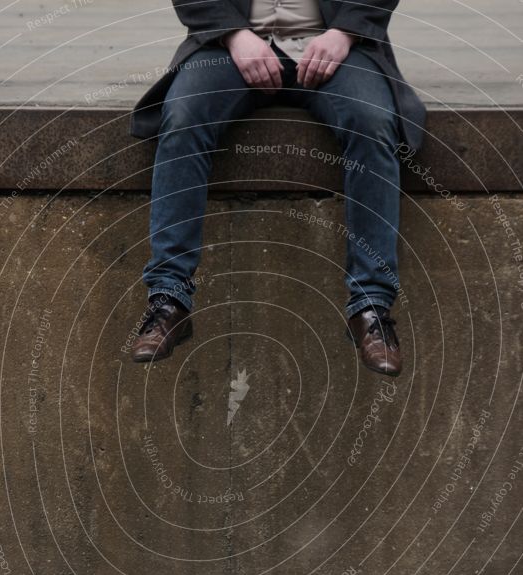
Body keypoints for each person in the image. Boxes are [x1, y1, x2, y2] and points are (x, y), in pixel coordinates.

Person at [129, 0, 426, 376]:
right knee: (184, 115)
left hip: (335, 48)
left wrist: (345, 31)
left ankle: (372, 308)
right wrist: (234, 34)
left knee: (371, 123)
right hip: (231, 49)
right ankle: (168, 300)